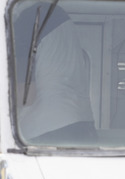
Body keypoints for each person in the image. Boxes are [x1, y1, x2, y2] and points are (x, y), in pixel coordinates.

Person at [13, 2, 95, 144]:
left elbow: (25, 96)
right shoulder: (58, 13)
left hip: (48, 129)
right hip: (83, 124)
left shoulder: (28, 19)